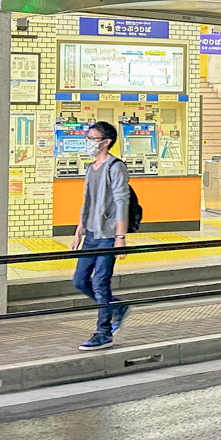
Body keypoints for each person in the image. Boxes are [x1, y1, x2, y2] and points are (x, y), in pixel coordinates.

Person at [71, 121, 130, 351]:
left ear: (105, 142)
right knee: (79, 280)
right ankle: (116, 307)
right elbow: (87, 201)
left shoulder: (115, 167)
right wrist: (78, 231)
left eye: (92, 138)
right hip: (91, 235)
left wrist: (120, 236)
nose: (88, 141)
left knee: (100, 282)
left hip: (108, 235)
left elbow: (121, 201)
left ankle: (103, 332)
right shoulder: (91, 168)